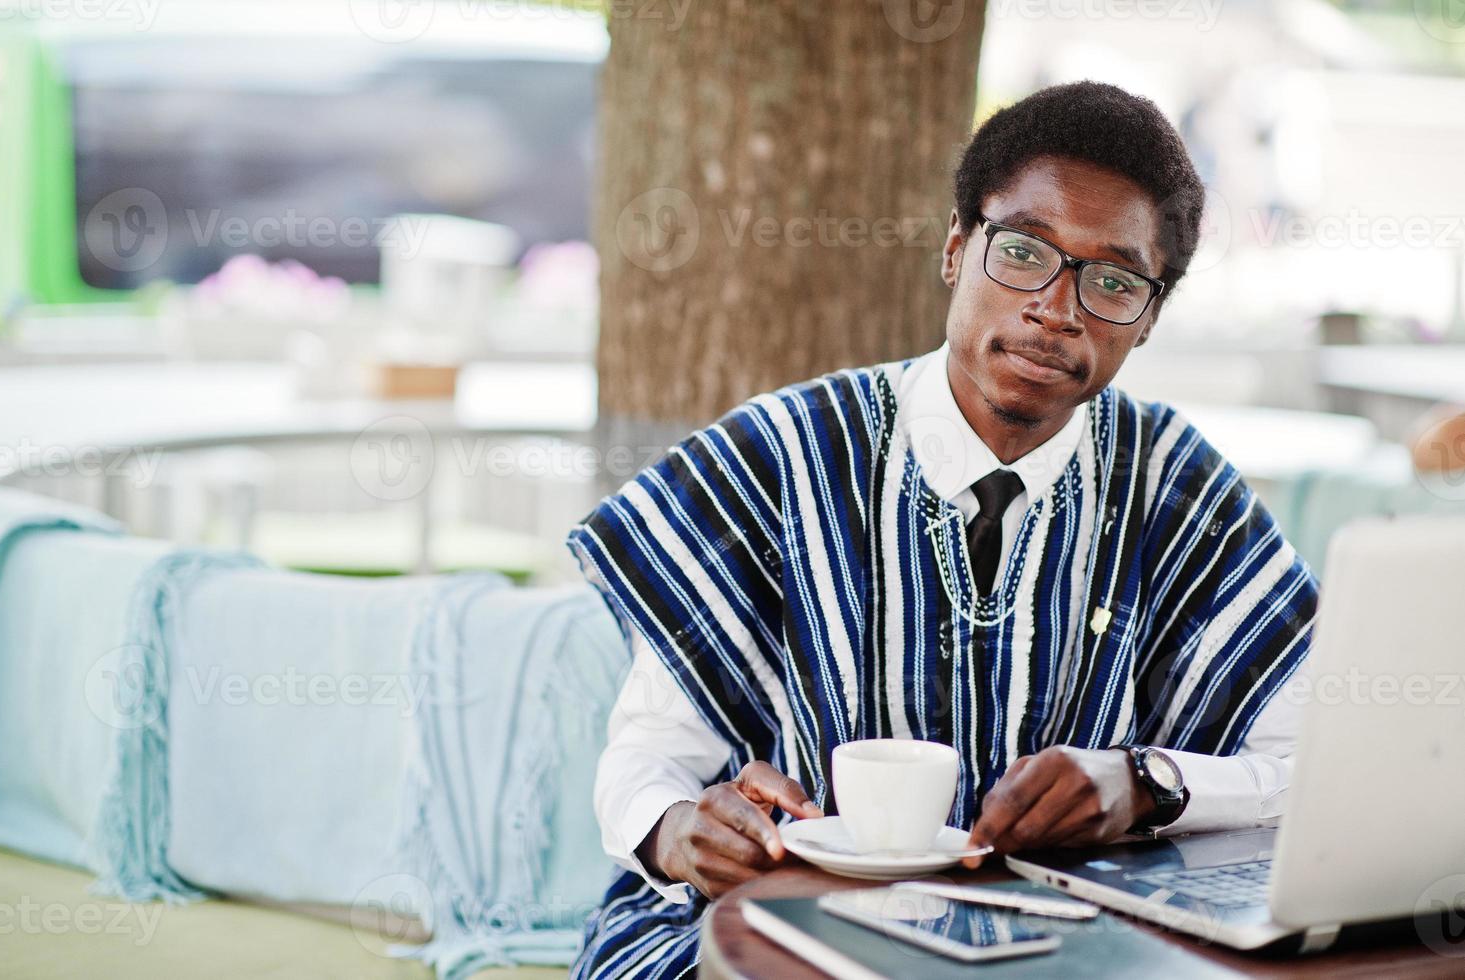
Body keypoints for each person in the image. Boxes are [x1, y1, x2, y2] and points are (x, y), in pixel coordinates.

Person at [564, 80, 1316, 979]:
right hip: (777, 931)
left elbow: (1311, 759)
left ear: (1148, 318)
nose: (1056, 307)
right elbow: (645, 758)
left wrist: (1145, 782)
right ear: (957, 248)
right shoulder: (784, 452)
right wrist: (677, 832)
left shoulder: (1175, 486)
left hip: (1062, 947)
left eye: (1113, 280)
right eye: (1025, 253)